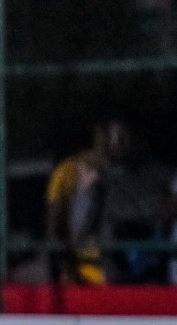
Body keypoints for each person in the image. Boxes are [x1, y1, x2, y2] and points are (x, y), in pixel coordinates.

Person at [46, 115, 177, 284]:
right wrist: (88, 194)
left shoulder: (160, 175)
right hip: (111, 273)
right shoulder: (97, 179)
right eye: (117, 137)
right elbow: (79, 232)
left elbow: (166, 209)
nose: (121, 143)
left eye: (126, 136)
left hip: (152, 273)